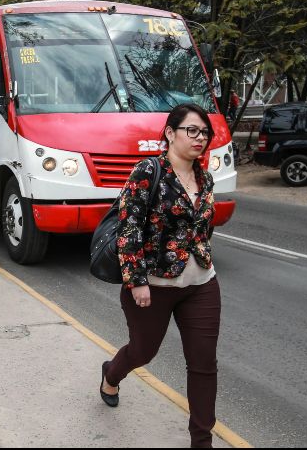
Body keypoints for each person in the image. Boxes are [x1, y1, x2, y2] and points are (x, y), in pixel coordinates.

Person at [100, 103, 220, 448]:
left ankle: (201, 441)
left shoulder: (204, 177)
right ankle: (112, 373)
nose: (200, 138)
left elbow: (202, 229)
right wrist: (136, 280)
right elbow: (129, 227)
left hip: (201, 284)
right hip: (152, 286)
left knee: (203, 363)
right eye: (192, 130)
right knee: (143, 351)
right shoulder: (147, 171)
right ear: (170, 132)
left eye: (204, 132)